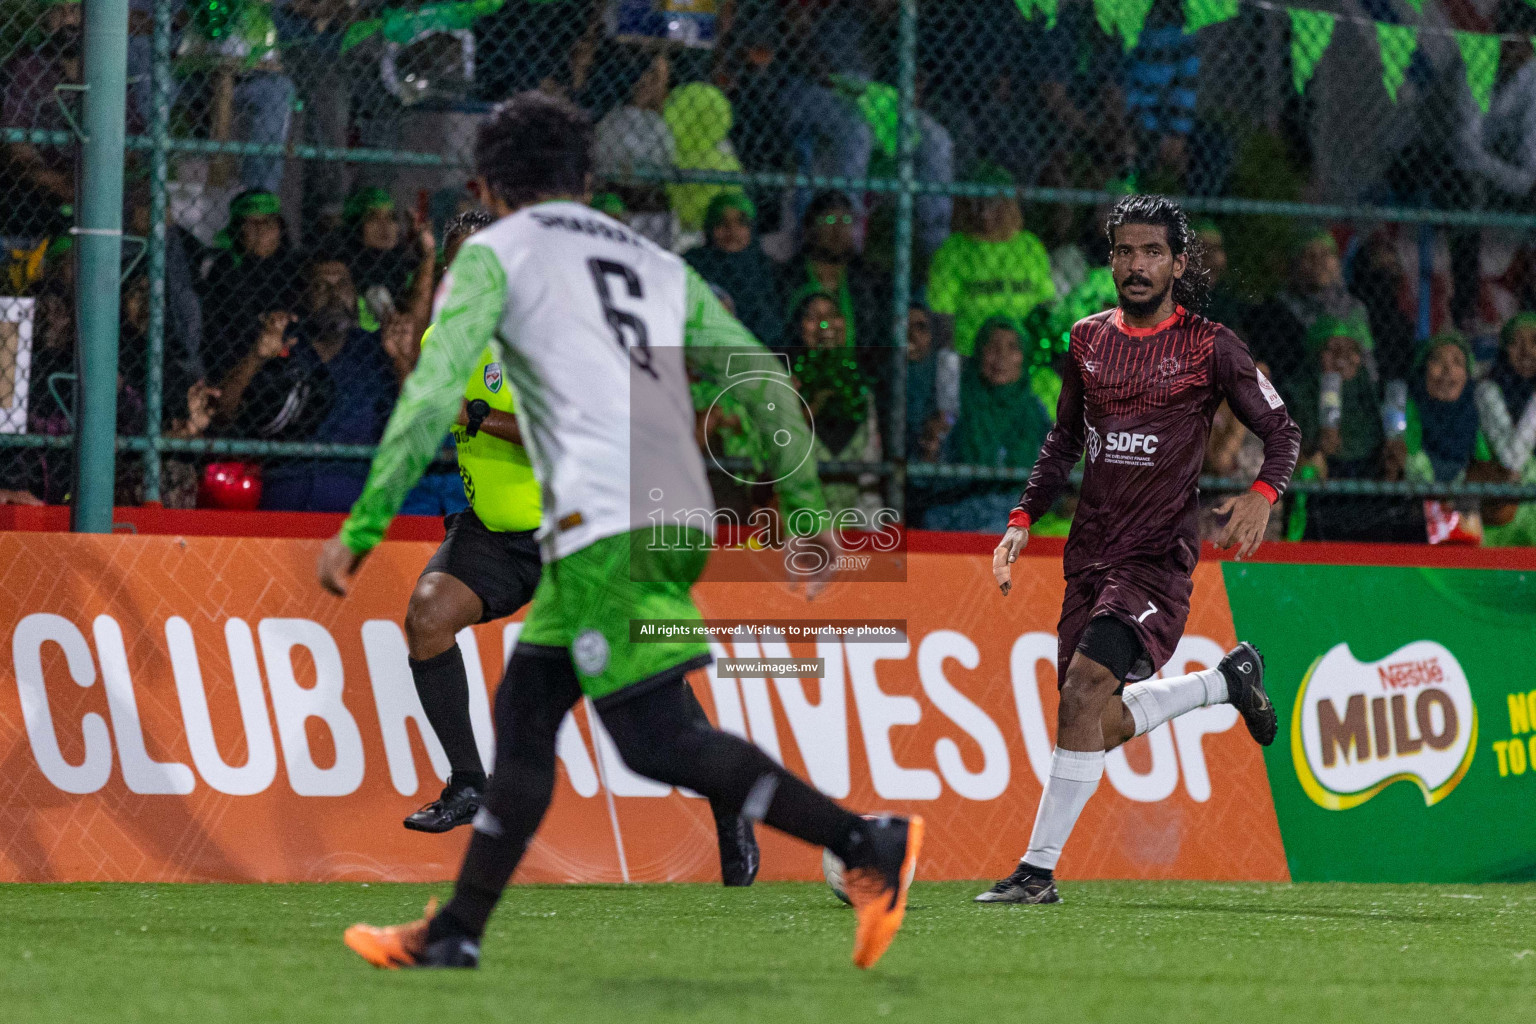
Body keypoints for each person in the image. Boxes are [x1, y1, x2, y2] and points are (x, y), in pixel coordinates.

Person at [315, 92, 922, 971]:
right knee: (525, 718)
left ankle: (868, 845)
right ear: (588, 181)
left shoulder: (496, 251)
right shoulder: (653, 260)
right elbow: (762, 380)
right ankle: (455, 933)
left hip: (603, 522)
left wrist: (363, 526)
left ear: (490, 179)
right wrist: (809, 521)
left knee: (657, 741)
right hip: (665, 509)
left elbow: (431, 393)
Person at [982, 195, 1300, 904]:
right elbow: (1064, 439)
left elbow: (1283, 433)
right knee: (1095, 719)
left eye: (1152, 252)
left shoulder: (1212, 346)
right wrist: (1022, 517)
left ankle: (1036, 872)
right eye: (1125, 251)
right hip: (1089, 550)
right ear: (1111, 259)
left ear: (1178, 264)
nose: (1136, 264)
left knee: (1083, 690)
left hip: (1157, 555)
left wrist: (1261, 495)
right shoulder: (1086, 340)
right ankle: (1226, 683)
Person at [216, 256, 414, 511]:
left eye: (342, 285)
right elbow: (222, 413)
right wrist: (257, 356)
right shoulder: (282, 348)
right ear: (302, 298)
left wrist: (399, 359)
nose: (334, 295)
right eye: (321, 287)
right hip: (284, 490)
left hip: (355, 494)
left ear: (355, 297)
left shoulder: (376, 350)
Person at [924, 318, 1052, 533]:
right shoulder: (955, 402)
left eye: (1012, 347)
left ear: (1024, 357)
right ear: (979, 352)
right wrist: (931, 449)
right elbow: (929, 477)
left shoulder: (1033, 411)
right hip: (959, 509)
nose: (1001, 356)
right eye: (992, 346)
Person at [927, 167, 1055, 357]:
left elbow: (1044, 304)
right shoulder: (953, 250)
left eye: (993, 203)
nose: (984, 213)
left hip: (1021, 356)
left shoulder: (1030, 246)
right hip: (970, 356)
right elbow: (942, 314)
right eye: (977, 203)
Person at [785, 289, 881, 517]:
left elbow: (871, 469)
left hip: (856, 511)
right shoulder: (786, 381)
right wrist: (814, 404)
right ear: (798, 327)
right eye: (812, 316)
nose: (825, 324)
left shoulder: (861, 386)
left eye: (832, 314)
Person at [199, 190, 305, 386]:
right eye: (252, 223)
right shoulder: (225, 268)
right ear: (238, 230)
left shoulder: (295, 267)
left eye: (268, 221)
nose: (262, 229)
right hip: (238, 365)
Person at [682, 193, 783, 345]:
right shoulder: (692, 265)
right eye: (721, 222)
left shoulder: (767, 269)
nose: (732, 229)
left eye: (741, 222)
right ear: (709, 228)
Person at [1476, 313, 1536, 545]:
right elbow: (1512, 459)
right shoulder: (1488, 391)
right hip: (1503, 514)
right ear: (1504, 349)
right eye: (1516, 343)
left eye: (1534, 343)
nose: (1526, 351)